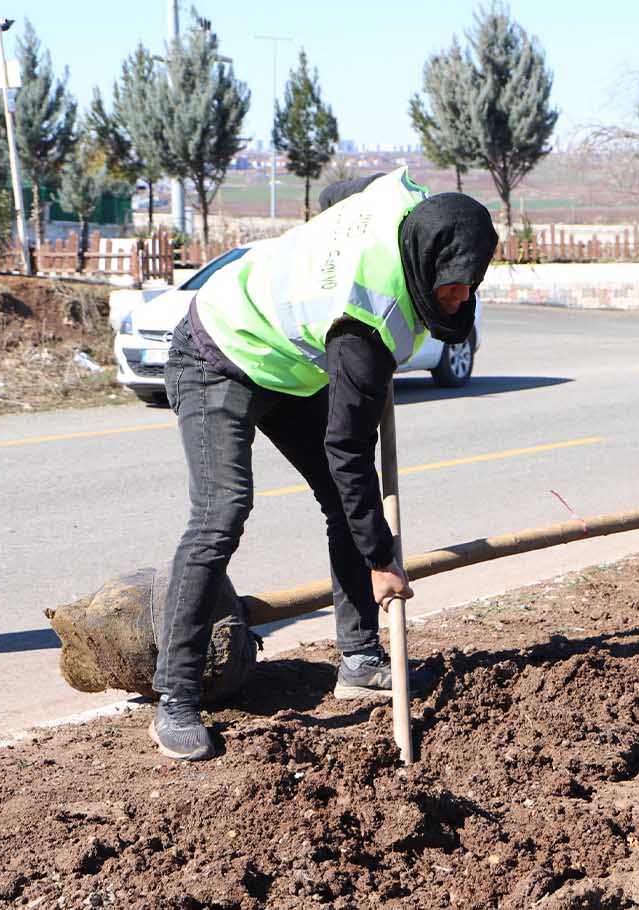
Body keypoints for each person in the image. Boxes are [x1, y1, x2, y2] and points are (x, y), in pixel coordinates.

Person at [149, 167, 498, 761]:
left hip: (288, 364)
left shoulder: (404, 203)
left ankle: (359, 658)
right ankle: (175, 696)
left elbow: (343, 196)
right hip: (218, 350)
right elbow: (348, 453)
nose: (461, 296)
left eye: (470, 284)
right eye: (452, 288)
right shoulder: (369, 322)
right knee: (222, 512)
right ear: (426, 263)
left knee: (341, 505)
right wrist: (383, 561)